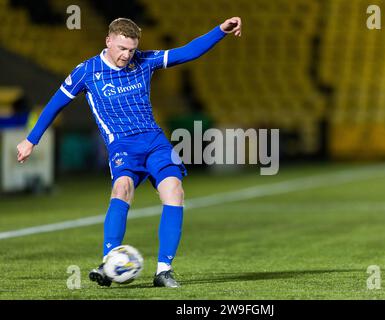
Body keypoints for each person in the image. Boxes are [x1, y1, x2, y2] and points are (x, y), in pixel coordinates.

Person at [16, 17, 242, 288]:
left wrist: (220, 30)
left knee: (174, 191)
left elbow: (187, 52)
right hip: (122, 145)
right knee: (122, 188)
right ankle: (109, 263)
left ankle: (164, 270)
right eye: (122, 48)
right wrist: (31, 140)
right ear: (108, 41)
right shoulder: (87, 72)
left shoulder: (144, 61)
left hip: (155, 141)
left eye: (131, 49)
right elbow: (55, 104)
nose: (127, 55)